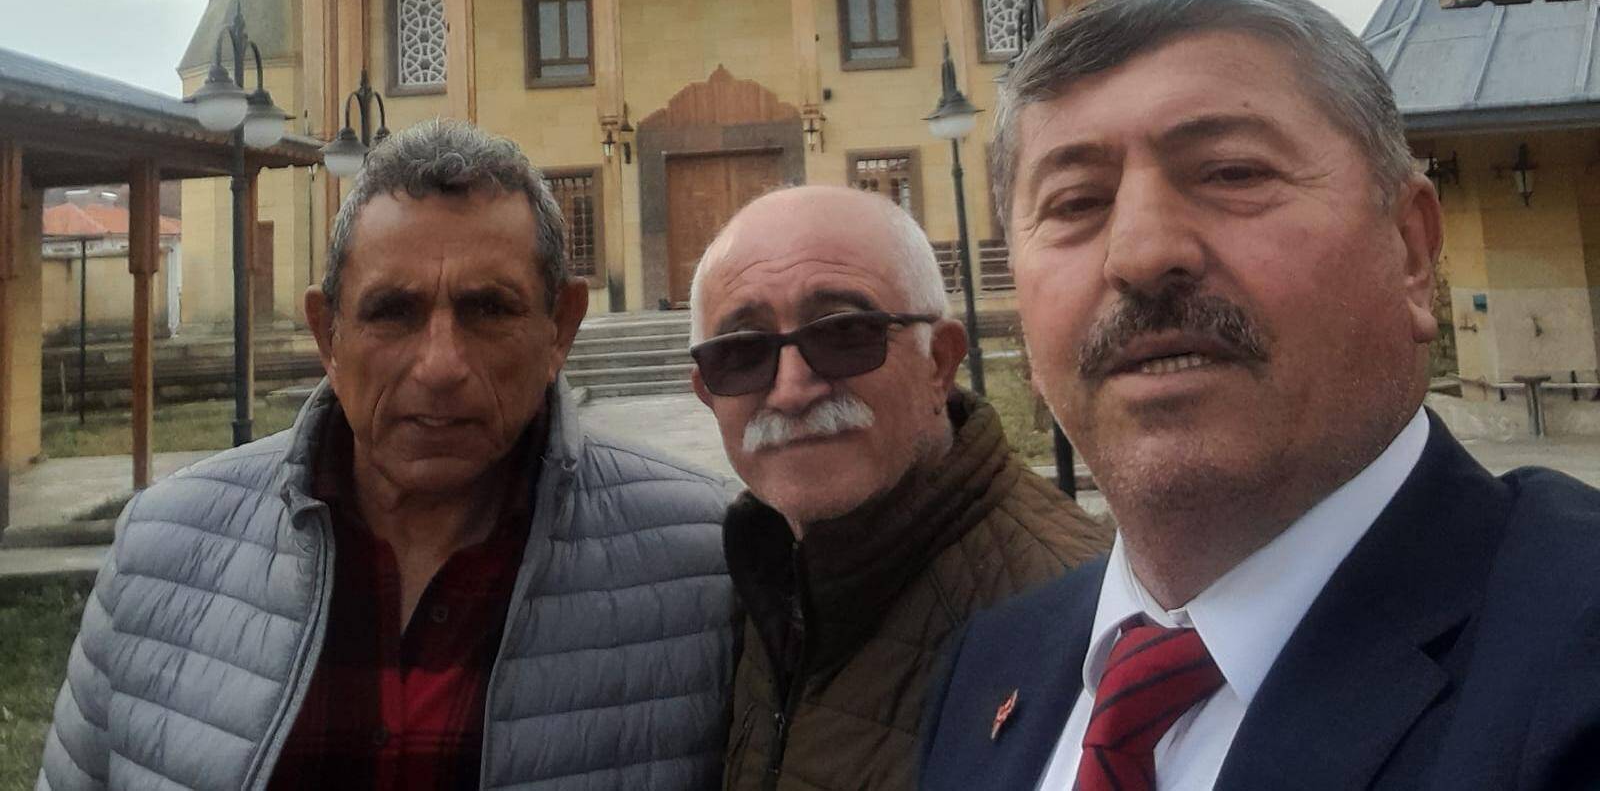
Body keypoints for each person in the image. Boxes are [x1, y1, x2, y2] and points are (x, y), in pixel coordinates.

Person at [919, 0, 1600, 791]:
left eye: (1233, 173)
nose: (1141, 253)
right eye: (1075, 202)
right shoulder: (988, 669)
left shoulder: (1571, 661)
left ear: (1412, 253)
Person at [40, 119, 736, 791]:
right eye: (393, 312)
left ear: (559, 329)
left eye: (489, 310)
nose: (440, 366)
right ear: (328, 335)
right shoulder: (161, 552)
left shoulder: (707, 563)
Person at [689, 184, 1107, 791]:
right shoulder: (760, 578)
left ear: (939, 361)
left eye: (843, 334)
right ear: (707, 393)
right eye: (742, 352)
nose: (791, 389)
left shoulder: (1089, 627)